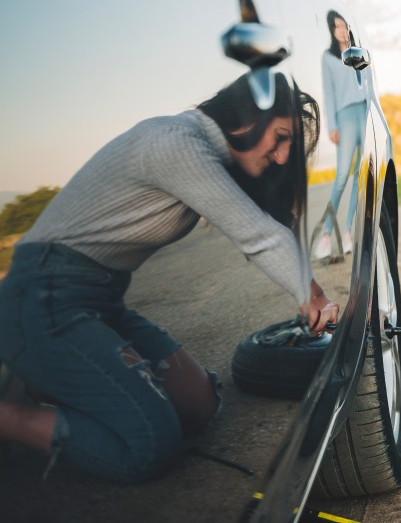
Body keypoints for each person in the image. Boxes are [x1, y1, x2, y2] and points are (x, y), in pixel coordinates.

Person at [0, 73, 340, 483]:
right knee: (148, 447)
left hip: (101, 300)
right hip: (42, 298)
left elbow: (271, 225)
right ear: (247, 116)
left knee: (198, 407)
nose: (285, 157)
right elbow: (257, 235)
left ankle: (57, 381)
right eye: (282, 136)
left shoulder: (208, 154)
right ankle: (12, 413)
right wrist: (313, 296)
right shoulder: (173, 141)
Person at [315, 10, 367, 259]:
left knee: (360, 175)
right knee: (342, 176)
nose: (341, 30)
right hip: (344, 118)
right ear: (331, 30)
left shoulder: (358, 52)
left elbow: (368, 85)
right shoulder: (328, 57)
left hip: (364, 113)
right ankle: (326, 235)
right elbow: (328, 93)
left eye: (344, 26)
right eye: (336, 27)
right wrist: (332, 126)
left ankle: (347, 231)